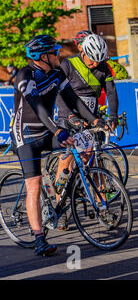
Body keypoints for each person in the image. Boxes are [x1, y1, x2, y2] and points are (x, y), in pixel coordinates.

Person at [12, 34, 106, 256]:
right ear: (42, 56)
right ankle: (38, 238)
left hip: (46, 131)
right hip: (26, 136)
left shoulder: (56, 73)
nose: (58, 55)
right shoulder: (25, 76)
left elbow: (73, 100)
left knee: (77, 147)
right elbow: (38, 108)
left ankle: (59, 194)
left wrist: (95, 120)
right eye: (53, 52)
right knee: (33, 185)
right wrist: (58, 130)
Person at [55, 32, 119, 230]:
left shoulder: (103, 67)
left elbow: (111, 92)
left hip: (91, 119)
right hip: (69, 118)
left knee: (94, 160)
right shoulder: (68, 64)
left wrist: (113, 117)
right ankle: (60, 206)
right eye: (92, 60)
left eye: (98, 61)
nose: (94, 65)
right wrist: (70, 116)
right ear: (83, 52)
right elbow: (58, 92)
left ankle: (102, 206)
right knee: (67, 161)